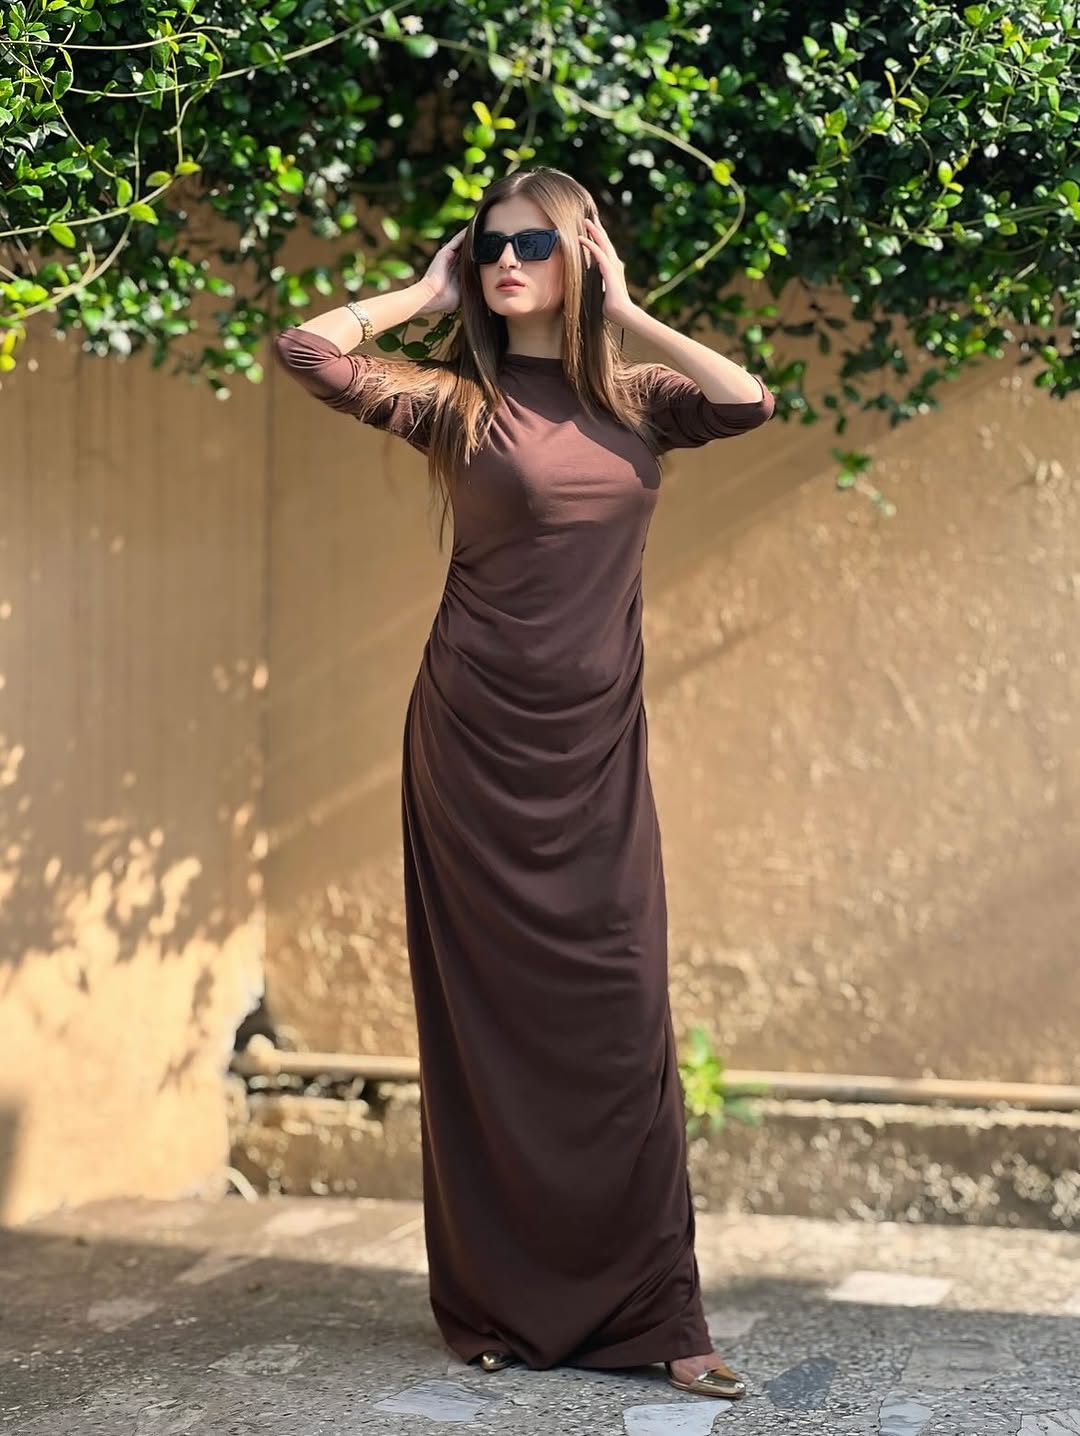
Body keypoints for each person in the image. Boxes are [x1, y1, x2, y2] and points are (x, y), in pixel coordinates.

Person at [273, 166, 774, 1401]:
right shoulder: (458, 401)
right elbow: (309, 353)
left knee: (620, 1016)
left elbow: (748, 399)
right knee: (484, 1033)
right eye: (491, 243)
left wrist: (626, 304)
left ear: (580, 255)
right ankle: (495, 1304)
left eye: (535, 242)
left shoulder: (639, 401)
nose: (507, 259)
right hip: (473, 747)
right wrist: (421, 289)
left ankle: (664, 1313)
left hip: (595, 750)